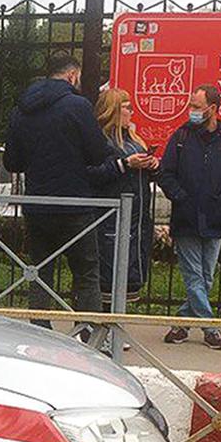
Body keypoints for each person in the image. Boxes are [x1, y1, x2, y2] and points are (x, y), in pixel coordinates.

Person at [4, 52, 127, 329]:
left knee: (38, 271)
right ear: (72, 75)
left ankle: (39, 332)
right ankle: (89, 335)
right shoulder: (77, 106)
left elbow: (12, 162)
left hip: (37, 205)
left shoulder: (21, 109)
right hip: (74, 204)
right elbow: (97, 154)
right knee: (86, 273)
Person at [153, 85, 221, 349]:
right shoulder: (181, 137)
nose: (192, 111)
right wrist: (180, 196)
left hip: (214, 218)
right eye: (191, 106)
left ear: (213, 109)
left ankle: (182, 324)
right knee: (194, 276)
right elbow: (165, 173)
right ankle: (211, 329)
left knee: (206, 277)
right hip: (186, 218)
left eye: (197, 106)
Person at [93, 89, 160, 312]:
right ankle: (96, 327)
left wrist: (152, 166)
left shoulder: (133, 137)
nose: (131, 111)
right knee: (108, 275)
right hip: (112, 217)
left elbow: (139, 172)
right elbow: (94, 174)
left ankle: (114, 329)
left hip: (137, 217)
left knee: (128, 275)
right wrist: (125, 164)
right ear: (113, 110)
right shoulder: (101, 139)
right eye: (127, 106)